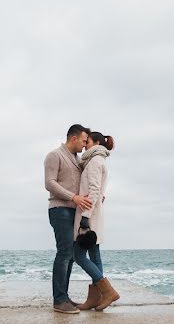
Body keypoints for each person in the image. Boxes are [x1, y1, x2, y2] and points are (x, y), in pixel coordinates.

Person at [44, 124, 93, 314]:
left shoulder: (77, 159)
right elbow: (49, 183)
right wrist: (73, 197)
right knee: (64, 253)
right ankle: (59, 300)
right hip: (59, 210)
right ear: (73, 138)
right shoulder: (54, 155)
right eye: (83, 140)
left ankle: (64, 296)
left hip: (74, 212)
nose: (84, 144)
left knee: (71, 256)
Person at [72, 131, 120, 311]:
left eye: (88, 142)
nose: (85, 145)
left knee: (78, 256)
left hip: (89, 215)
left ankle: (107, 291)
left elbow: (93, 190)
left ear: (97, 142)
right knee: (94, 255)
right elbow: (100, 191)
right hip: (96, 214)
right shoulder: (101, 161)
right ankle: (96, 298)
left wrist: (84, 218)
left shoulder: (94, 162)